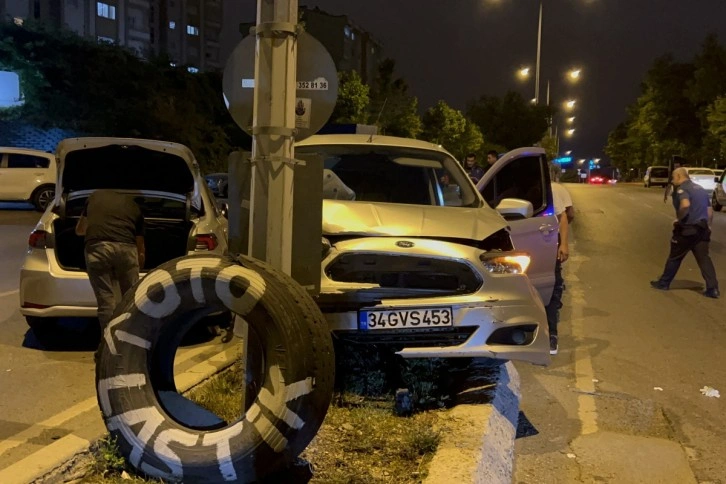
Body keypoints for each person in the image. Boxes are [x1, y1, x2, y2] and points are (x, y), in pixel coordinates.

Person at [75, 189, 146, 328]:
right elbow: (140, 246)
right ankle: (129, 341)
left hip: (98, 248)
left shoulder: (93, 197)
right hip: (127, 249)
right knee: (130, 299)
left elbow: (80, 230)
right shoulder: (134, 206)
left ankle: (108, 344)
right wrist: (139, 263)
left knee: (106, 302)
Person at [651, 168, 719, 298]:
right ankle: (713, 288)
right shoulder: (700, 189)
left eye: (672, 177)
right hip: (702, 229)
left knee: (675, 257)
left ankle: (663, 283)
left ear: (678, 176)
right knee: (704, 259)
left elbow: (685, 205)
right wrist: (708, 226)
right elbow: (709, 211)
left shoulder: (682, 189)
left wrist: (679, 218)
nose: (672, 180)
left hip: (687, 230)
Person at [546, 182, 574, 355]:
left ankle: (551, 334)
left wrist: (563, 243)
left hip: (546, 240)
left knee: (551, 285)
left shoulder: (549, 189)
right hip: (520, 240)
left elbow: (563, 215)